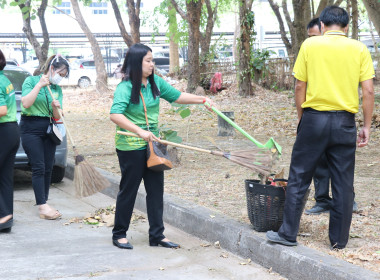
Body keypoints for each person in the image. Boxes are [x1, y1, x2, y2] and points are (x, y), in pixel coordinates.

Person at [266, 6, 374, 249]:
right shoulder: (358, 48)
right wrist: (366, 126)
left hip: (313, 119)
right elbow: (368, 90)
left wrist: (301, 118)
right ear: (346, 28)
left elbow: (298, 86)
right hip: (345, 122)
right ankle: (338, 240)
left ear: (323, 26)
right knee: (343, 183)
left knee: (299, 177)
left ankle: (288, 234)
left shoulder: (310, 45)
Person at [110, 43, 214, 249]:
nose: (152, 64)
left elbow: (177, 97)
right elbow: (115, 115)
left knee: (156, 191)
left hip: (154, 145)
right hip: (130, 146)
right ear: (136, 63)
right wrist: (139, 131)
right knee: (129, 191)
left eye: (152, 60)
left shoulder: (155, 82)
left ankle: (157, 235)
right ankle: (119, 233)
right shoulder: (125, 88)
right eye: (148, 61)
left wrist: (202, 100)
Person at [305, 18, 358, 215]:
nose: (312, 40)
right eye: (309, 37)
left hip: (340, 115)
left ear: (326, 29)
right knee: (317, 160)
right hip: (316, 113)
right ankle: (322, 199)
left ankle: (345, 200)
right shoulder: (310, 51)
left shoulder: (345, 52)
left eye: (315, 36)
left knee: (340, 163)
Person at [20, 54, 69, 220]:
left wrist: (57, 108)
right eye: (60, 74)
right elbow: (26, 103)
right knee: (39, 166)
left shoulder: (57, 89)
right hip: (30, 128)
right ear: (52, 68)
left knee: (49, 166)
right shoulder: (31, 81)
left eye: (64, 76)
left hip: (49, 128)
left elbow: (58, 116)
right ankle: (42, 207)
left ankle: (44, 201)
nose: (61, 78)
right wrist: (39, 85)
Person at [0, 50, 20, 233]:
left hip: (3, 130)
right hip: (11, 131)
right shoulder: (4, 79)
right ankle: (5, 217)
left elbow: (2, 109)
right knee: (5, 176)